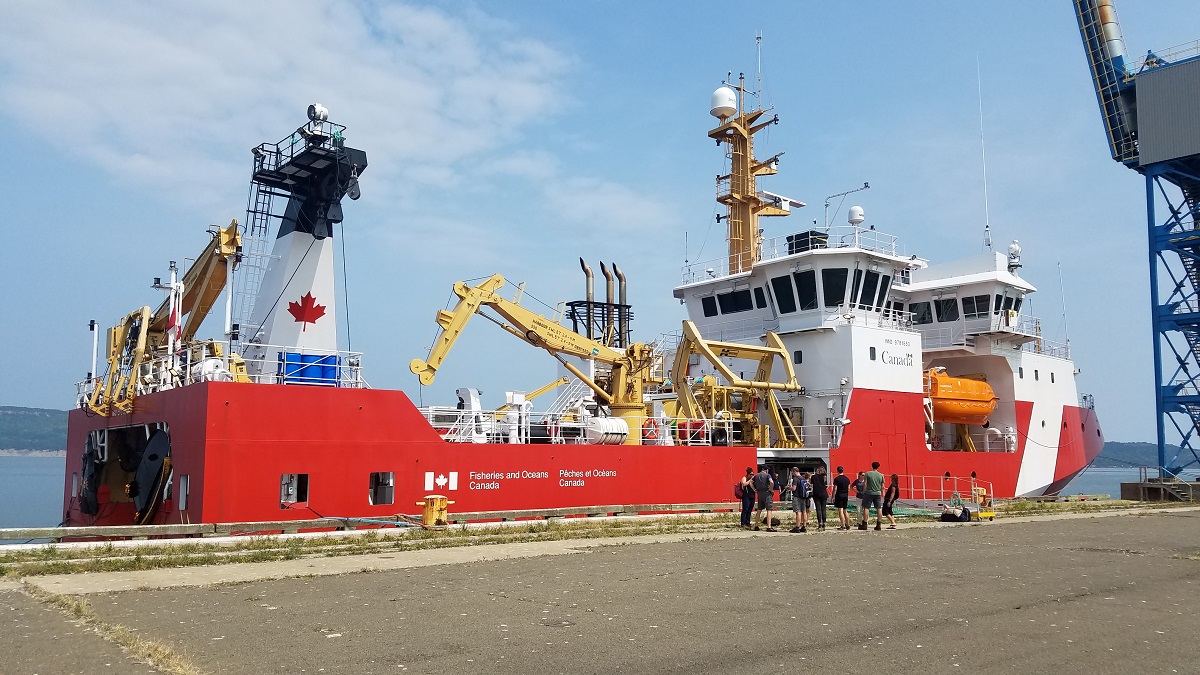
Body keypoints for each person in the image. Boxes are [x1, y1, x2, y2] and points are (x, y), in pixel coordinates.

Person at [859, 461, 885, 531]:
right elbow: (883, 486)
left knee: (866, 508)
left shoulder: (868, 473)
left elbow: (865, 484)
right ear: (878, 467)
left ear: (872, 466)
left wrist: (864, 491)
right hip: (877, 493)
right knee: (879, 508)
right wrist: (881, 492)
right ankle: (879, 524)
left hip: (869, 492)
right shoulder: (881, 475)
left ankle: (864, 523)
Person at [751, 464, 776, 531]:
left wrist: (754, 489)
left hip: (759, 493)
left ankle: (756, 525)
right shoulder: (768, 475)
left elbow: (751, 482)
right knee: (769, 509)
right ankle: (769, 526)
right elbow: (771, 481)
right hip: (767, 493)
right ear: (766, 470)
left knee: (759, 509)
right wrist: (771, 489)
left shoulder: (756, 475)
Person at [788, 468, 811, 533]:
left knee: (798, 512)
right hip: (803, 497)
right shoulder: (803, 478)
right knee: (804, 512)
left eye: (792, 472)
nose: (792, 474)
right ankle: (804, 526)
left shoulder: (795, 479)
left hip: (797, 497)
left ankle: (797, 527)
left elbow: (794, 488)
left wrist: (788, 488)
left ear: (795, 471)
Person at [831, 466, 851, 530]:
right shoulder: (847, 479)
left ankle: (843, 525)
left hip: (839, 495)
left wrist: (833, 496)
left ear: (837, 471)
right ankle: (848, 524)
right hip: (845, 495)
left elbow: (835, 489)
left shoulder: (837, 479)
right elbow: (848, 488)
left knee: (840, 510)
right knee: (845, 510)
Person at [811, 465, 829, 531]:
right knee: (823, 509)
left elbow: (812, 485)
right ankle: (824, 523)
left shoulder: (813, 477)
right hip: (824, 493)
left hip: (816, 494)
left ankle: (820, 523)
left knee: (818, 509)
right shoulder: (824, 477)